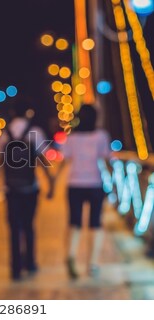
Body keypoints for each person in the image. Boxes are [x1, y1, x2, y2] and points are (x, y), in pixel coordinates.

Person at [0, 103, 53, 281]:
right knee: (29, 226)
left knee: (13, 228)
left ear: (12, 113)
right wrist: (51, 183)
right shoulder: (35, 132)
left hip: (10, 188)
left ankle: (15, 267)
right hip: (30, 187)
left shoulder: (5, 133)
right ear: (27, 114)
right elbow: (43, 159)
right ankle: (31, 263)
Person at [55, 105, 111, 279]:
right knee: (96, 224)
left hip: (75, 184)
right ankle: (93, 264)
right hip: (95, 183)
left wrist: (53, 183)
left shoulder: (72, 138)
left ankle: (71, 255)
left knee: (75, 222)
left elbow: (64, 160)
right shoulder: (101, 136)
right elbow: (107, 157)